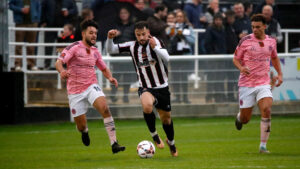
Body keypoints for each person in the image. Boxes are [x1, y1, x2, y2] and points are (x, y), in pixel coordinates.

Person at [106, 21, 178, 157]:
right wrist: (110, 38)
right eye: (138, 35)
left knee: (166, 119)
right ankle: (155, 135)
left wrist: (155, 48)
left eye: (143, 34)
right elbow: (111, 50)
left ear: (148, 32)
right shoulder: (132, 46)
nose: (141, 37)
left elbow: (168, 58)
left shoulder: (156, 41)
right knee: (147, 106)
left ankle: (172, 143)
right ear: (135, 35)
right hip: (145, 87)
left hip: (162, 87)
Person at [55, 20, 125, 154]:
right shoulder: (74, 47)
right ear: (83, 34)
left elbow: (103, 68)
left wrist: (110, 77)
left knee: (105, 108)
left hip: (91, 85)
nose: (94, 36)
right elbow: (59, 62)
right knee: (80, 126)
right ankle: (84, 131)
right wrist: (62, 71)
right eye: (91, 33)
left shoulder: (95, 51)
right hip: (75, 91)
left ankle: (114, 143)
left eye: (95, 33)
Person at [233, 14, 283, 153]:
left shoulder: (271, 41)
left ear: (264, 27)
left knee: (266, 109)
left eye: (258, 27)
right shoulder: (245, 40)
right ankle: (239, 117)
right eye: (253, 27)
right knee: (245, 119)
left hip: (263, 82)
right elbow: (236, 59)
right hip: (246, 84)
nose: (255, 30)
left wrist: (279, 74)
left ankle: (263, 146)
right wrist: (242, 68)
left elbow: (274, 58)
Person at [41, 0, 78, 70]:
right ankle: (47, 65)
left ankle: (61, 65)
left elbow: (75, 10)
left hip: (63, 28)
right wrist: (43, 21)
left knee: (62, 47)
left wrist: (68, 12)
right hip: (50, 26)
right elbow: (43, 9)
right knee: (48, 46)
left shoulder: (70, 1)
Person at [109, 7, 136, 103]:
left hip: (128, 56)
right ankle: (113, 95)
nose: (123, 14)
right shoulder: (115, 25)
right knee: (115, 76)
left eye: (125, 12)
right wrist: (114, 35)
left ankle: (125, 96)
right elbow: (109, 40)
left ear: (129, 14)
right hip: (117, 56)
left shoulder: (133, 26)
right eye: (121, 13)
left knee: (127, 77)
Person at [169, 10, 195, 103]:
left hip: (184, 55)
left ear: (184, 18)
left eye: (181, 16)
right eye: (178, 16)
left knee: (184, 78)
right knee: (175, 77)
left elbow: (193, 41)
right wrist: (173, 31)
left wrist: (183, 35)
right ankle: (177, 97)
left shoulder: (188, 27)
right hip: (174, 55)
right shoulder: (173, 27)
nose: (179, 18)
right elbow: (169, 37)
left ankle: (185, 97)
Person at [9, 0, 41, 71]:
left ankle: (31, 64)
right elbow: (10, 5)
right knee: (18, 45)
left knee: (31, 45)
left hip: (32, 22)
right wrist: (20, 10)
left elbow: (39, 6)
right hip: (20, 22)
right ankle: (18, 65)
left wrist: (37, 19)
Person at [204, 13, 227, 103]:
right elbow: (207, 43)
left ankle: (219, 97)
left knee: (220, 78)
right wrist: (212, 53)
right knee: (211, 78)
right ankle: (209, 97)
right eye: (217, 19)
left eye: (220, 20)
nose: (218, 21)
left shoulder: (223, 29)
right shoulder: (210, 29)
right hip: (213, 58)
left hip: (221, 57)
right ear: (214, 20)